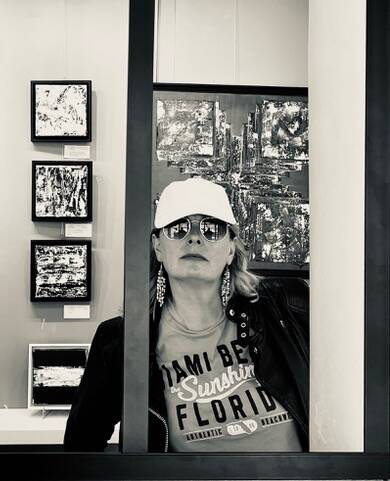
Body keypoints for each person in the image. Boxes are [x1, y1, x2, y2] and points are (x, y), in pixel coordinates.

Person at [64, 177, 309, 452]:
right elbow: (80, 449)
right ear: (158, 246)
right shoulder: (122, 340)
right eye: (178, 228)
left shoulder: (284, 307)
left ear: (230, 249)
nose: (194, 238)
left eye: (212, 229)